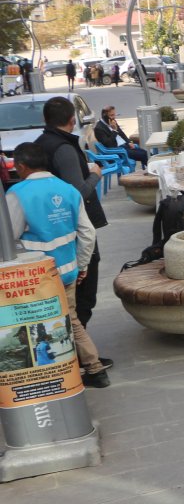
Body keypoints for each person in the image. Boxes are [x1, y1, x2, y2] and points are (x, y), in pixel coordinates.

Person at [6, 142, 110, 387]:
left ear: (21, 166)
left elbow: (9, 234)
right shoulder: (68, 190)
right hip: (68, 270)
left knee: (40, 324)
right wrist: (82, 265)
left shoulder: (17, 194)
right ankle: (93, 369)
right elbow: (87, 233)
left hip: (37, 274)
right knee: (70, 320)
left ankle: (80, 370)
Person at [35, 97, 108, 327]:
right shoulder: (63, 147)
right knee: (83, 295)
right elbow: (77, 193)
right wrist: (95, 174)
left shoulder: (40, 143)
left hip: (50, 227)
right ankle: (82, 355)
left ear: (44, 119)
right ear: (71, 119)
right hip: (74, 228)